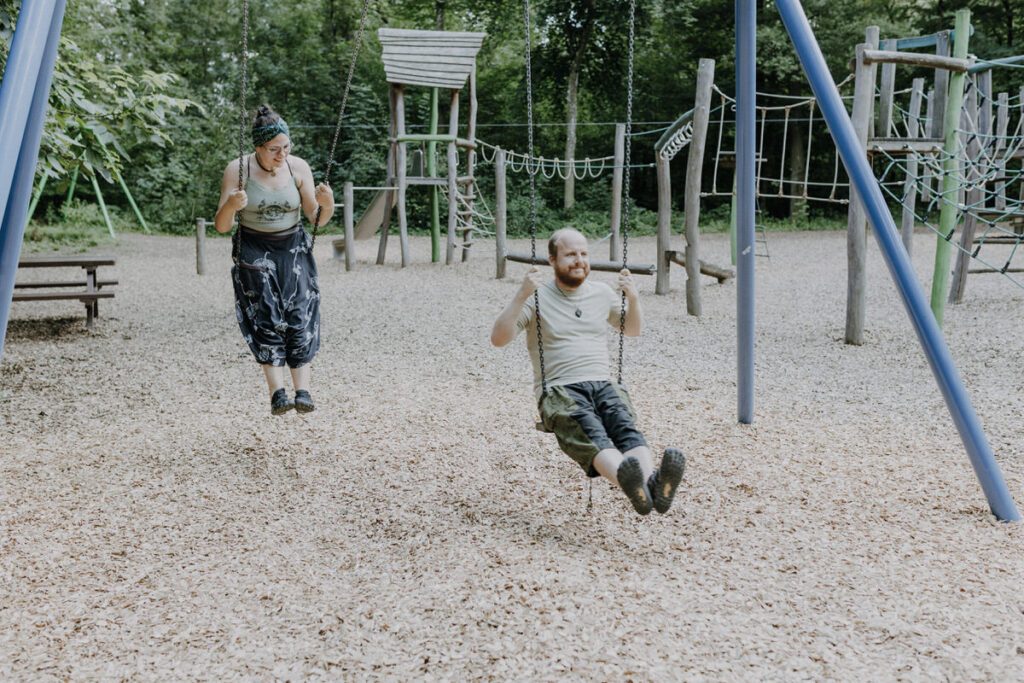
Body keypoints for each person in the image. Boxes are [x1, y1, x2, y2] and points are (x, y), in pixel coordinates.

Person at [490, 228, 686, 516]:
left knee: (624, 426)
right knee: (590, 431)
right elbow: (498, 339)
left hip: (603, 383)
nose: (579, 260)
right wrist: (521, 294)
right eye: (570, 254)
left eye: (583, 254)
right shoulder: (537, 298)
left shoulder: (602, 293)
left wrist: (633, 298)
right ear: (552, 260)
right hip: (560, 389)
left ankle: (648, 487)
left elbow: (632, 330)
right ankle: (635, 482)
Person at [214, 104, 334, 416]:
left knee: (299, 312)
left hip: (291, 245)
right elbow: (222, 225)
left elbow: (316, 219)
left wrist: (328, 204)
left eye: (286, 147)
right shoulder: (237, 169)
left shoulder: (298, 168)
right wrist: (230, 205)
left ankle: (303, 390)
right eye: (273, 150)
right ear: (258, 147)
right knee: (265, 314)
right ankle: (277, 392)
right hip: (253, 246)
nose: (281, 155)